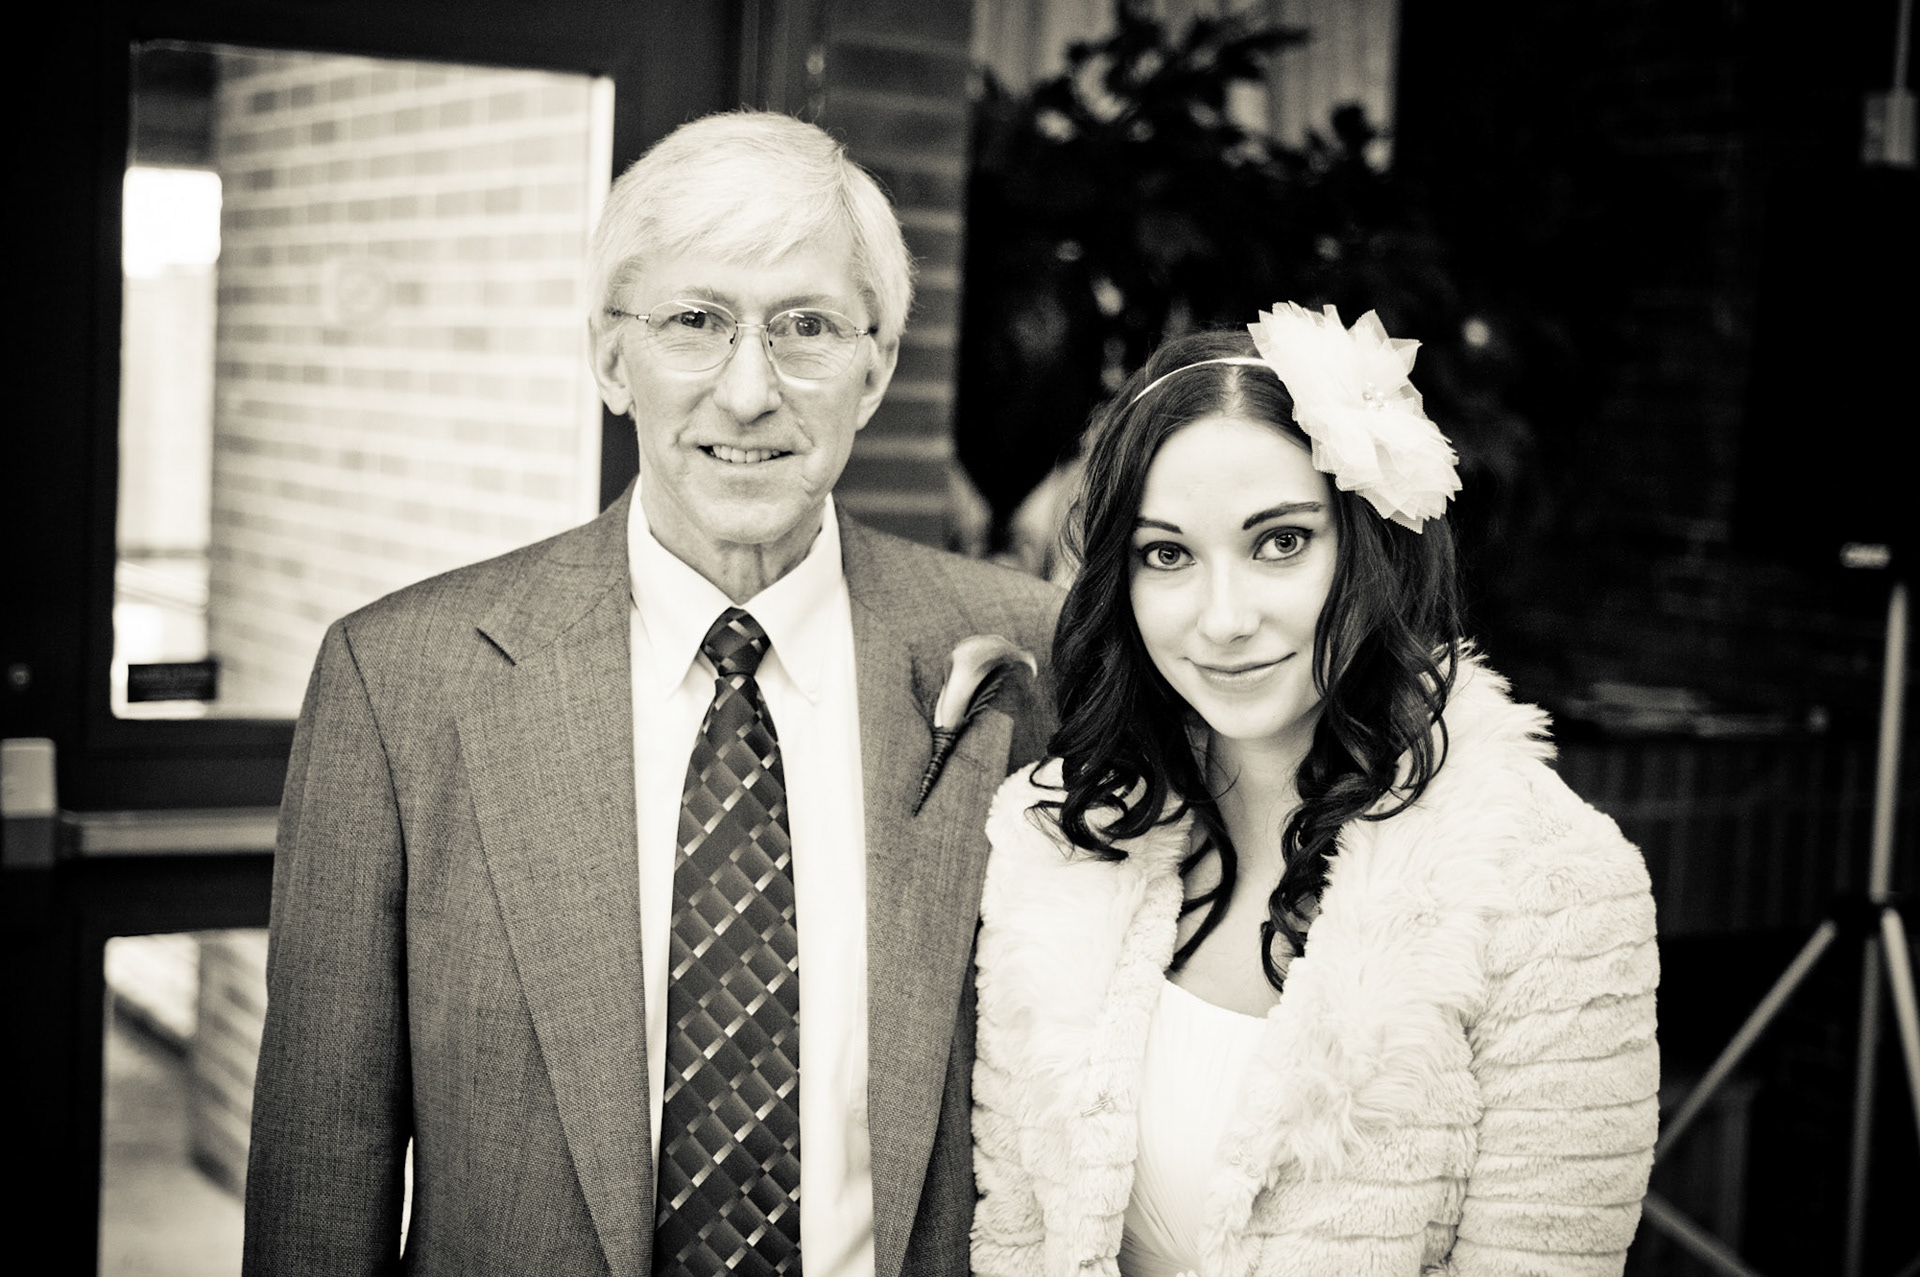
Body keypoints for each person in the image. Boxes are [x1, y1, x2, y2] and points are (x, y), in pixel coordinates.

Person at [242, 110, 1061, 1277]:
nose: (748, 391)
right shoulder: (402, 683)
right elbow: (322, 1172)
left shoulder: (1029, 655)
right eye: (694, 321)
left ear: (876, 367)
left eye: (807, 326)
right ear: (610, 357)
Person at [970, 306, 1659, 1276]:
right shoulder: (1055, 844)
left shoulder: (1552, 888)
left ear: (1368, 547)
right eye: (1167, 553)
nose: (1223, 617)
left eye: (1280, 542)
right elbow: (1010, 1237)